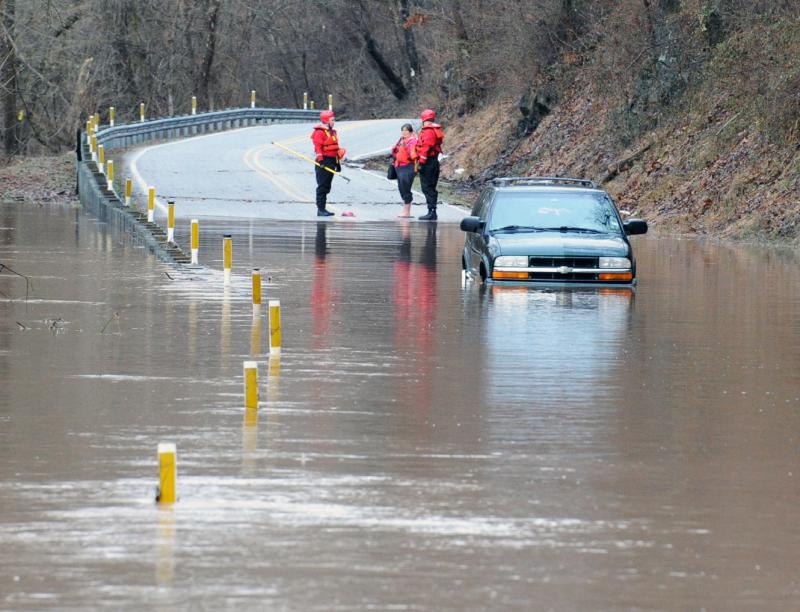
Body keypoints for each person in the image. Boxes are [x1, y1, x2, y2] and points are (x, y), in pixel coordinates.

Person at [311, 110, 345, 217]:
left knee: (327, 186)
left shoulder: (332, 132)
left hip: (331, 161)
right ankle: (320, 209)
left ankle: (323, 208)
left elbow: (335, 149)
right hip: (323, 161)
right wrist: (321, 161)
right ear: (326, 120)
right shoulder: (319, 132)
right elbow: (318, 148)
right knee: (322, 186)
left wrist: (337, 163)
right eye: (332, 120)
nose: (334, 121)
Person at [416, 109, 444, 221]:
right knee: (430, 186)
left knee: (427, 187)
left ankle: (431, 212)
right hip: (433, 161)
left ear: (423, 119)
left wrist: (421, 163)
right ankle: (432, 211)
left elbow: (426, 147)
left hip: (428, 162)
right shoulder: (435, 129)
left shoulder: (428, 131)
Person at [391, 123, 418, 218]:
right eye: (402, 130)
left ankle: (407, 211)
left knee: (405, 188)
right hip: (399, 166)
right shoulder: (401, 140)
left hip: (408, 166)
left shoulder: (413, 141)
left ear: (410, 132)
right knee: (401, 188)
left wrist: (407, 148)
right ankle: (405, 210)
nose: (404, 132)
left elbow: (412, 154)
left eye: (406, 130)